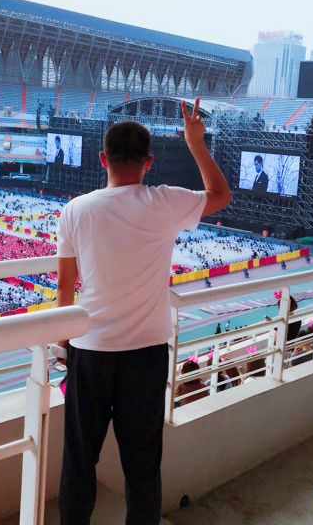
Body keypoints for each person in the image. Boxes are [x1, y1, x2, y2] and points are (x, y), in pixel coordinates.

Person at [55, 98, 232, 525]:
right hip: (147, 355)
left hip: (91, 350)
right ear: (149, 163)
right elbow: (221, 195)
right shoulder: (165, 202)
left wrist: (63, 342)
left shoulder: (75, 209)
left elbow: (64, 285)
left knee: (79, 459)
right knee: (142, 464)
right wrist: (196, 143)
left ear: (103, 159)